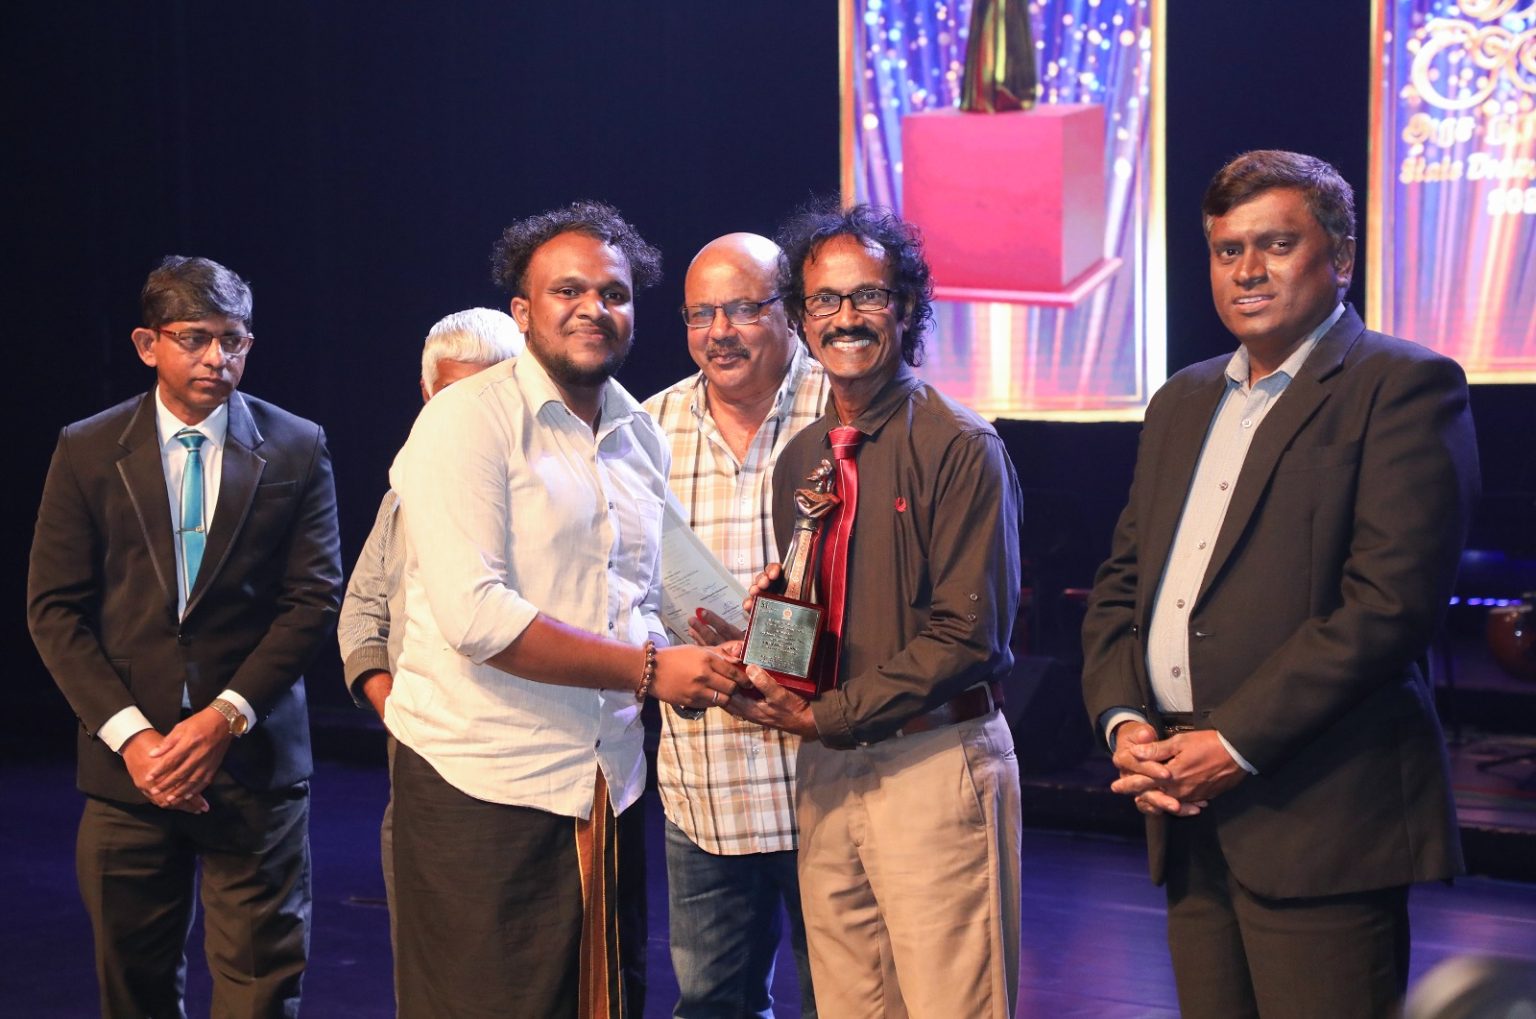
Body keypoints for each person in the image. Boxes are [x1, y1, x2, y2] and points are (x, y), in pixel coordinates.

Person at [1080, 149, 1480, 1019]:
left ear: (1341, 257)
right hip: (1182, 806)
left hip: (1322, 816)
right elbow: (1122, 586)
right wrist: (1125, 721)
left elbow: (1388, 607)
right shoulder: (1181, 401)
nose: (1248, 270)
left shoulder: (1404, 386)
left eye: (1277, 244)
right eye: (1228, 250)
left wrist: (1232, 742)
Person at [385, 200, 745, 1019]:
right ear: (523, 311)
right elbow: (477, 618)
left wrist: (705, 660)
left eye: (614, 293)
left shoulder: (637, 432)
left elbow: (629, 600)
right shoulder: (465, 420)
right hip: (484, 783)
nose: (594, 308)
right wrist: (651, 669)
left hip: (604, 782)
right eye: (568, 290)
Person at [27, 255, 343, 1017]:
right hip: (128, 771)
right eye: (194, 338)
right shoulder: (88, 447)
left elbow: (312, 598)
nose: (216, 358)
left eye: (233, 340)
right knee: (131, 984)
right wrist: (135, 739)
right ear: (148, 344)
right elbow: (54, 608)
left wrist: (223, 717)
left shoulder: (297, 445)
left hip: (255, 763)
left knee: (262, 985)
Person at [729, 204, 1023, 1019]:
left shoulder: (961, 446)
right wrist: (761, 643)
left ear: (907, 308)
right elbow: (813, 622)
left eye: (868, 296)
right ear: (801, 320)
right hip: (827, 767)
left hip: (934, 759)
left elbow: (969, 637)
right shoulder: (801, 458)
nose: (846, 317)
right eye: (824, 300)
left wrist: (826, 714)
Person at [642, 233, 829, 1017]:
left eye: (744, 308)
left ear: (790, 312)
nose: (719, 332)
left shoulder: (844, 408)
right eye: (700, 314)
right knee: (713, 1003)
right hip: (708, 784)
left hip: (831, 780)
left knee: (847, 1001)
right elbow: (618, 590)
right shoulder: (646, 429)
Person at [335, 306, 523, 984]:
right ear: (426, 394)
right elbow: (361, 615)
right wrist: (397, 708)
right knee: (428, 978)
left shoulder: (542, 494)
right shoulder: (404, 495)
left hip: (521, 785)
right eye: (452, 397)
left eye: (485, 395)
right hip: (419, 780)